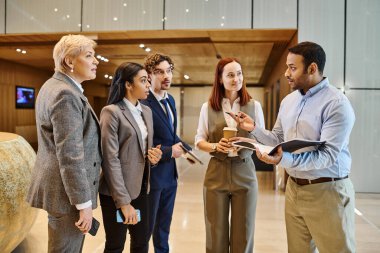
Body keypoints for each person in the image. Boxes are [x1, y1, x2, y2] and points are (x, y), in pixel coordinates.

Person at [231, 41, 356, 252]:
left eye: (292, 67)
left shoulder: (337, 104)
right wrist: (253, 128)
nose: (286, 73)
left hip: (327, 190)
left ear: (312, 68)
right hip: (294, 190)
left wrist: (282, 160)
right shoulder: (289, 101)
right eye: (287, 66)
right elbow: (278, 137)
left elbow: (327, 156)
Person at [27, 34, 101, 252]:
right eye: (89, 56)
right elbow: (70, 154)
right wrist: (83, 203)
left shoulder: (52, 86)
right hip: (67, 194)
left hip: (61, 190)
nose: (96, 61)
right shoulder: (65, 94)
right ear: (69, 61)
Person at [194, 57, 265, 253]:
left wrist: (248, 139)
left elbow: (263, 140)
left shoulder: (254, 106)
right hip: (217, 171)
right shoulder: (208, 107)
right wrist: (216, 146)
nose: (236, 79)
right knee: (215, 232)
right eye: (231, 75)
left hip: (245, 171)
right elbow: (199, 141)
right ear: (220, 79)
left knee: (244, 231)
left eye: (239, 73)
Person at [98, 62, 163, 253]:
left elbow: (143, 149)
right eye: (143, 81)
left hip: (142, 189)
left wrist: (154, 157)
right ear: (128, 84)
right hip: (116, 192)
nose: (148, 85)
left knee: (142, 242)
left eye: (148, 81)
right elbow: (110, 160)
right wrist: (124, 203)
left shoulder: (147, 112)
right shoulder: (112, 112)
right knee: (115, 244)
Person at [140, 53, 190, 253]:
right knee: (145, 231)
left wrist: (185, 146)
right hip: (152, 177)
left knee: (163, 230)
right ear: (149, 75)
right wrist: (171, 152)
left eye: (168, 70)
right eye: (159, 72)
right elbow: (143, 142)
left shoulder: (170, 101)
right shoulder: (143, 103)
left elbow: (170, 135)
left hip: (170, 177)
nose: (166, 76)